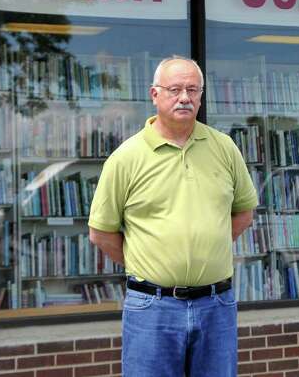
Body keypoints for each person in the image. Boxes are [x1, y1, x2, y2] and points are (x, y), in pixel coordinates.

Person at [88, 55, 258, 377]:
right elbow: (101, 233)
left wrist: (206, 248)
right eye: (175, 89)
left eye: (193, 90)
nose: (185, 97)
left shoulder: (224, 148)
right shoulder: (126, 158)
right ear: (155, 95)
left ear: (201, 96)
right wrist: (149, 261)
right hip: (153, 307)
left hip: (216, 305)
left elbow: (243, 213)